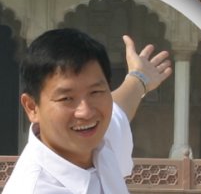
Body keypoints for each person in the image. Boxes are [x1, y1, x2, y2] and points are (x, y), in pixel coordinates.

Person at [4, 28, 174, 194]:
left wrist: (139, 78)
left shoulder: (99, 141)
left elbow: (120, 106)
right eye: (66, 99)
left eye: (95, 92)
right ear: (32, 107)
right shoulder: (34, 188)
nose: (86, 112)